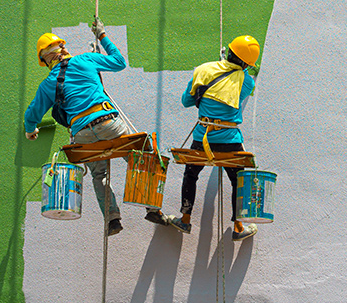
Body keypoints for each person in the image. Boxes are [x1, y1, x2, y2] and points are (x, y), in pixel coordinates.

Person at [24, 18, 169, 235]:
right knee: (141, 158)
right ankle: (152, 208)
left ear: (45, 61)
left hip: (82, 134)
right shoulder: (86, 60)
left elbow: (32, 113)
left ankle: (112, 219)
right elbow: (119, 62)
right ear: (63, 48)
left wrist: (30, 130)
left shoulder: (48, 84)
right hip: (107, 122)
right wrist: (102, 34)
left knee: (99, 174)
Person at [168, 35, 261, 241]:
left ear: (228, 51)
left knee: (191, 175)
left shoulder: (203, 70)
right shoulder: (246, 81)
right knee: (238, 180)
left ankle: (185, 218)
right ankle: (238, 226)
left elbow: (186, 101)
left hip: (203, 138)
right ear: (246, 63)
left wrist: (216, 67)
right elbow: (237, 88)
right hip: (230, 140)